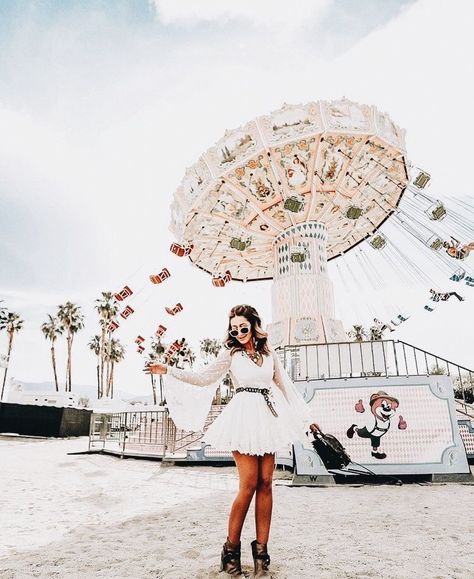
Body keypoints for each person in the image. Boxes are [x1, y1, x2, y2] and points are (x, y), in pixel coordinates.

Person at [145, 304, 316, 577]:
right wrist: (169, 370)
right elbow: (203, 378)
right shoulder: (231, 354)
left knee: (266, 484)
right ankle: (230, 551)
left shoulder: (269, 354)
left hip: (268, 417)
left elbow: (284, 387)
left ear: (254, 325)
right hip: (242, 418)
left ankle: (262, 556)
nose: (238, 333)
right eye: (234, 329)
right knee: (248, 485)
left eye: (243, 327)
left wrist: (306, 419)